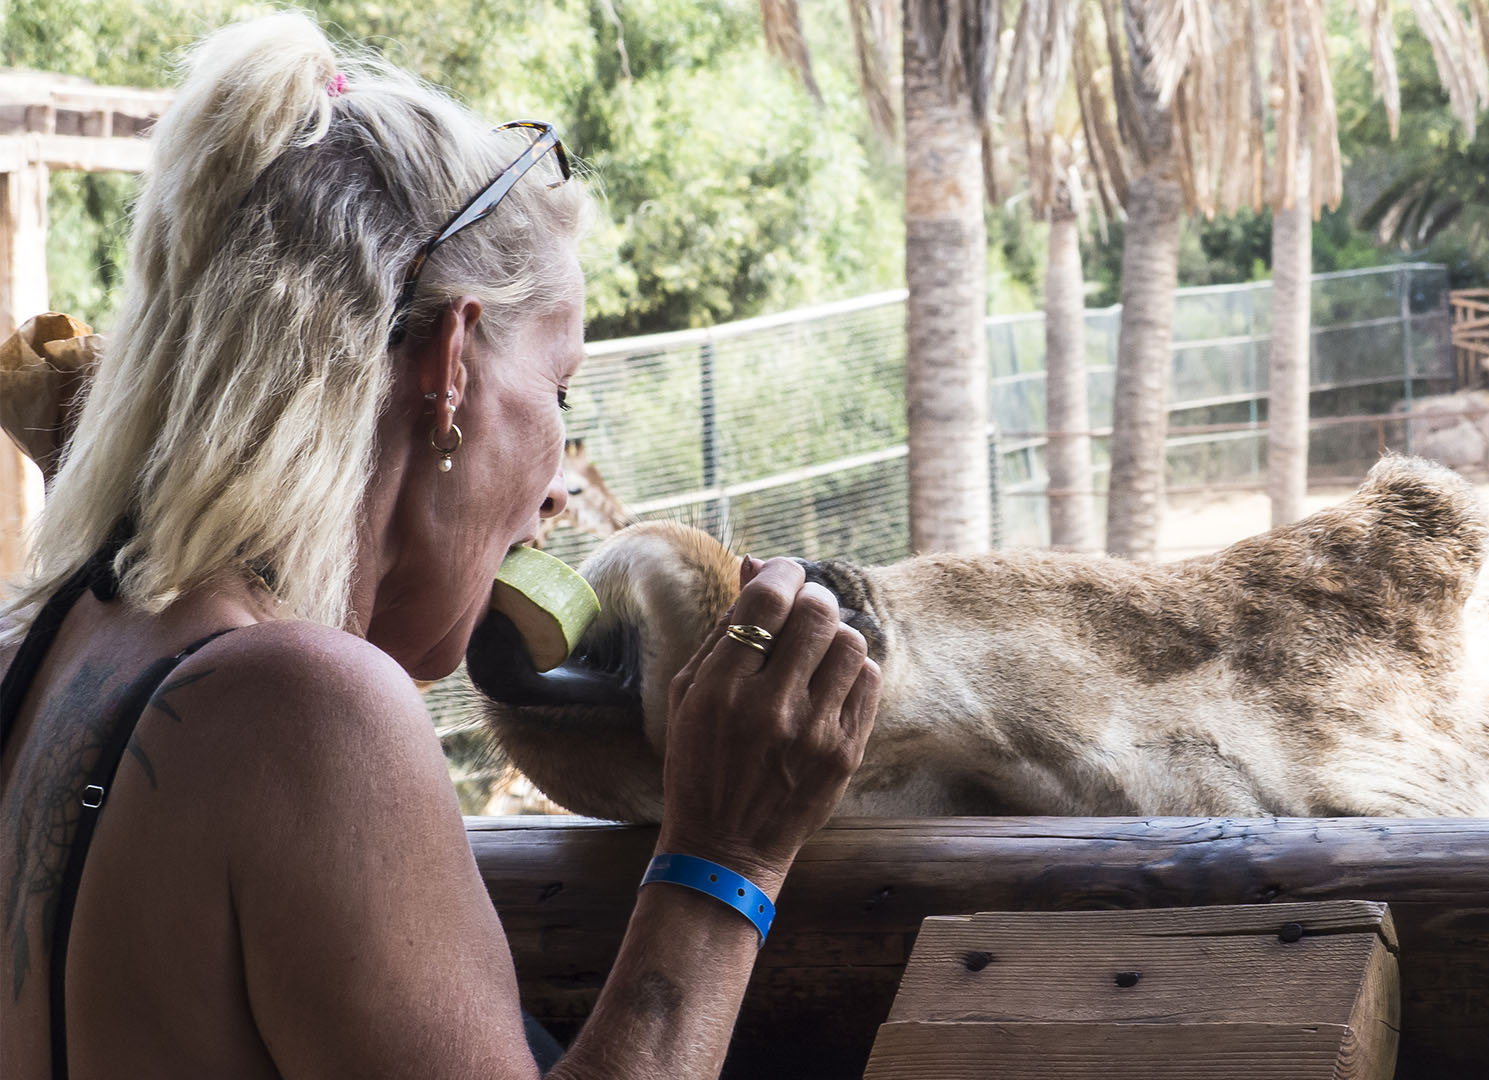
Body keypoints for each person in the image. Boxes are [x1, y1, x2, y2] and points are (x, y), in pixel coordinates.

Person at [0, 13, 879, 1079]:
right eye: (557, 389)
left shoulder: (50, 644)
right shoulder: (307, 709)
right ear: (451, 366)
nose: (559, 488)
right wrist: (731, 853)